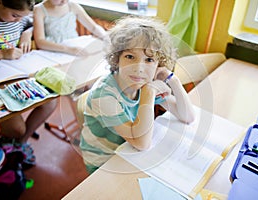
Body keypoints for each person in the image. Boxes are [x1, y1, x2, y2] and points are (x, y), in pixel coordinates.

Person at [79, 16, 196, 174]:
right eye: (129, 57)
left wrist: (172, 79)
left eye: (149, 59)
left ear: (158, 65)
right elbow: (142, 143)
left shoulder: (143, 83)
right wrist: (150, 92)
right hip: (103, 161)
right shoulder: (104, 95)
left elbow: (187, 116)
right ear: (117, 59)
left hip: (128, 151)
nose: (139, 68)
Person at [0, 0, 57, 166]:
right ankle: (12, 140)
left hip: (15, 71)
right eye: (15, 15)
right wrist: (1, 53)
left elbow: (28, 23)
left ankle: (19, 143)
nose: (18, 20)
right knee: (17, 128)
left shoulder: (21, 18)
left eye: (22, 17)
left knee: (50, 103)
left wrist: (27, 33)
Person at [33, 0, 107, 55]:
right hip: (53, 50)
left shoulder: (73, 6)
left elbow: (93, 27)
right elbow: (40, 41)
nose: (64, 1)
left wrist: (106, 37)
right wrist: (68, 49)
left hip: (75, 46)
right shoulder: (39, 9)